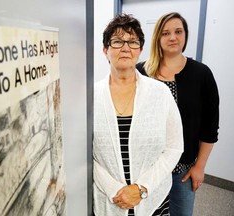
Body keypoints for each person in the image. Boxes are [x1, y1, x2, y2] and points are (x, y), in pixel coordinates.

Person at [93, 14, 184, 216]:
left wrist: (141, 188)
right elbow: (88, 154)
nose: (125, 48)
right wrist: (115, 190)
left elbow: (174, 147)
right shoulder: (91, 95)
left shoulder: (160, 93)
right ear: (105, 50)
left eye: (133, 42)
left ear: (140, 50)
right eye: (117, 41)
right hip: (109, 201)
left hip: (153, 200)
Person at [136, 12, 220, 216]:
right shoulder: (141, 72)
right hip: (147, 168)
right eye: (166, 33)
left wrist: (200, 166)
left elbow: (210, 126)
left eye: (178, 32)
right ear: (158, 37)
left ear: (185, 35)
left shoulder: (201, 74)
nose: (172, 37)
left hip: (182, 169)